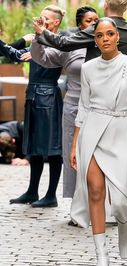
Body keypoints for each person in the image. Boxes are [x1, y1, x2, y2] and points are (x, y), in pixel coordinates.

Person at [69, 17, 127, 265]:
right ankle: (101, 253)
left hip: (119, 130)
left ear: (117, 37)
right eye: (99, 35)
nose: (105, 39)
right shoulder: (87, 68)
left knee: (120, 200)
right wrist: (75, 144)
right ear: (95, 40)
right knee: (95, 190)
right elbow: (82, 107)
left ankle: (123, 222)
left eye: (110, 34)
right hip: (92, 129)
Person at [0, 5, 65, 208]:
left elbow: (47, 58)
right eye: (40, 17)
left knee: (54, 148)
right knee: (34, 145)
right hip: (34, 96)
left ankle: (51, 195)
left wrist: (35, 49)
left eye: (46, 18)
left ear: (56, 23)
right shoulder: (38, 42)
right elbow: (16, 55)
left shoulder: (60, 44)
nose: (41, 20)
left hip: (48, 96)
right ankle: (32, 191)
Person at [30, 6, 98, 200]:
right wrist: (38, 37)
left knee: (97, 155)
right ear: (79, 24)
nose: (94, 23)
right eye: (88, 20)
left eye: (96, 19)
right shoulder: (69, 45)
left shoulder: (105, 43)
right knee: (72, 153)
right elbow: (42, 57)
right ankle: (77, 202)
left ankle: (99, 202)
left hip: (99, 107)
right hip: (74, 106)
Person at [33, 0, 127, 63]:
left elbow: (64, 43)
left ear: (105, 5)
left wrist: (43, 32)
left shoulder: (98, 30)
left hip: (97, 92)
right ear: (125, 8)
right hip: (124, 97)